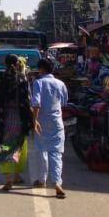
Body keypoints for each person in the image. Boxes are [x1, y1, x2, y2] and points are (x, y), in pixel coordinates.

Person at [0, 54, 32, 191]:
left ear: (5, 63)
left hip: (3, 118)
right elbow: (28, 98)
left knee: (4, 146)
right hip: (20, 118)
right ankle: (17, 175)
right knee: (19, 146)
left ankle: (8, 179)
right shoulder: (22, 77)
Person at [30, 58, 69, 198]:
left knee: (42, 151)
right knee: (56, 153)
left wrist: (34, 120)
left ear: (41, 69)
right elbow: (64, 103)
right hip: (57, 122)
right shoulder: (61, 84)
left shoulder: (38, 83)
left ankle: (42, 180)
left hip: (42, 121)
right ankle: (57, 182)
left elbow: (36, 104)